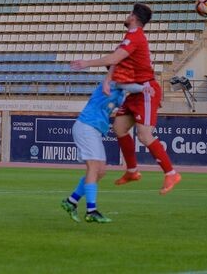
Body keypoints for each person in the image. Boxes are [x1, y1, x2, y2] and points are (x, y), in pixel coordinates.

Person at [71, 3, 181, 195]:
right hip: (135, 92)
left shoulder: (135, 36)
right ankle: (132, 171)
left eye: (129, 13)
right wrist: (107, 79)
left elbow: (114, 59)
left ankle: (171, 173)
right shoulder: (130, 37)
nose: (127, 16)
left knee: (144, 135)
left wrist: (86, 63)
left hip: (146, 89)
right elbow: (116, 60)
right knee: (119, 128)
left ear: (133, 17)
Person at [60, 80, 150, 223]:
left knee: (101, 171)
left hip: (95, 130)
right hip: (86, 126)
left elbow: (128, 102)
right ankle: (91, 211)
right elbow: (130, 87)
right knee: (94, 168)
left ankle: (71, 201)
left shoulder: (120, 94)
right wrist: (145, 88)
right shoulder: (113, 81)